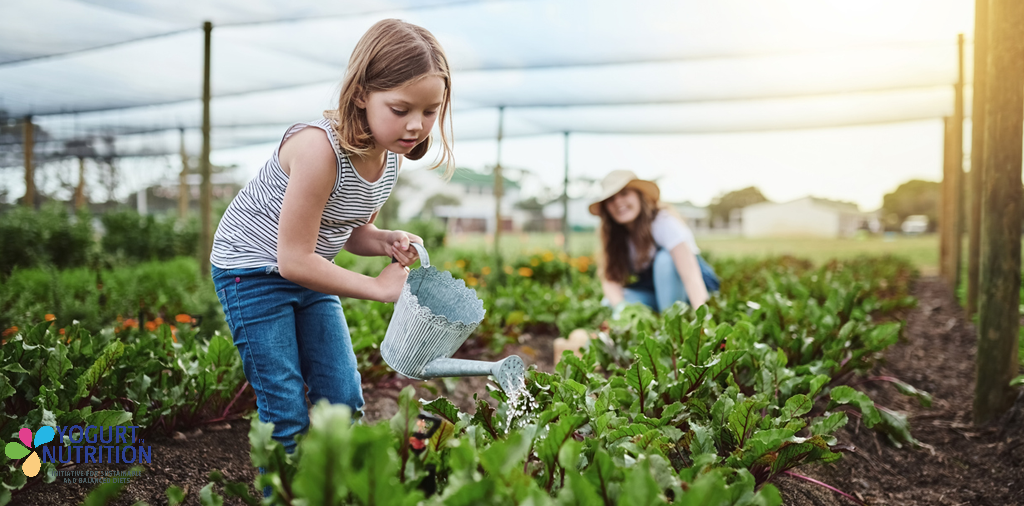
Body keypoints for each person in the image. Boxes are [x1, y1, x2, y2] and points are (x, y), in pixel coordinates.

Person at [209, 19, 454, 460]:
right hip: (252, 273)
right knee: (285, 411)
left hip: (307, 272)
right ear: (361, 93)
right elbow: (293, 259)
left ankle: (330, 486)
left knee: (343, 399)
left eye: (430, 111)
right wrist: (378, 288)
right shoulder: (318, 150)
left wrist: (384, 240)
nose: (416, 126)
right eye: (401, 110)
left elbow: (350, 230)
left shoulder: (388, 159)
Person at [591, 170, 720, 315]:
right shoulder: (616, 236)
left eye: (624, 193)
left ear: (639, 195)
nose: (618, 202)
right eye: (611, 199)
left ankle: (670, 322)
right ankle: (658, 317)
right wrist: (621, 311)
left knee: (664, 260)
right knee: (610, 302)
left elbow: (691, 277)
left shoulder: (663, 222)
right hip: (658, 293)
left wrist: (703, 317)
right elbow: (610, 279)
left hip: (693, 292)